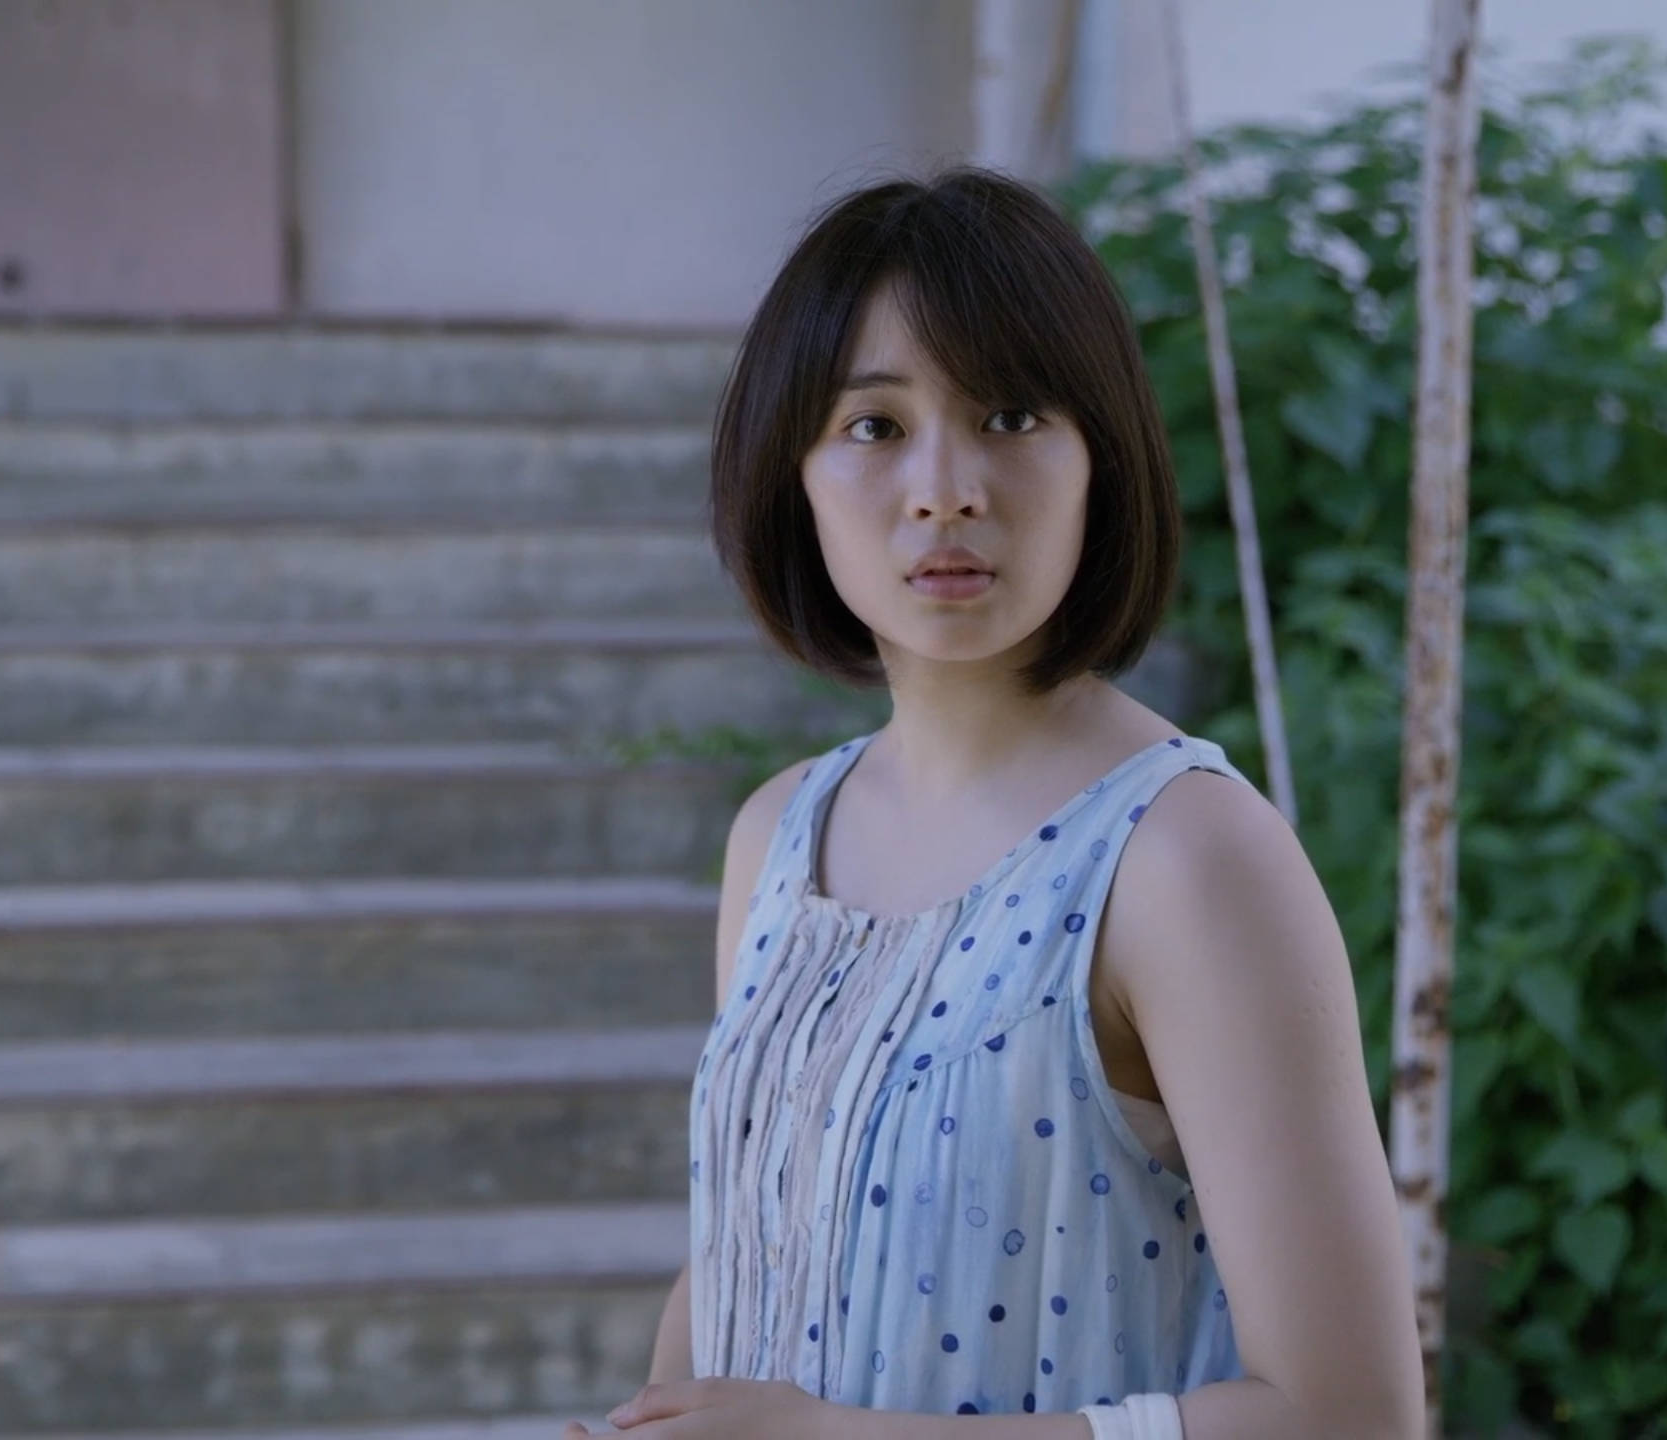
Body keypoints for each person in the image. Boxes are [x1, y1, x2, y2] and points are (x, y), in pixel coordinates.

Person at [573, 172, 1425, 1440]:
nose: (944, 488)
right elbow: (746, 1253)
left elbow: (1350, 1417)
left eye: (1011, 415)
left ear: (1100, 461)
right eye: (872, 425)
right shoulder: (780, 835)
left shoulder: (1187, 857)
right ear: (792, 475)